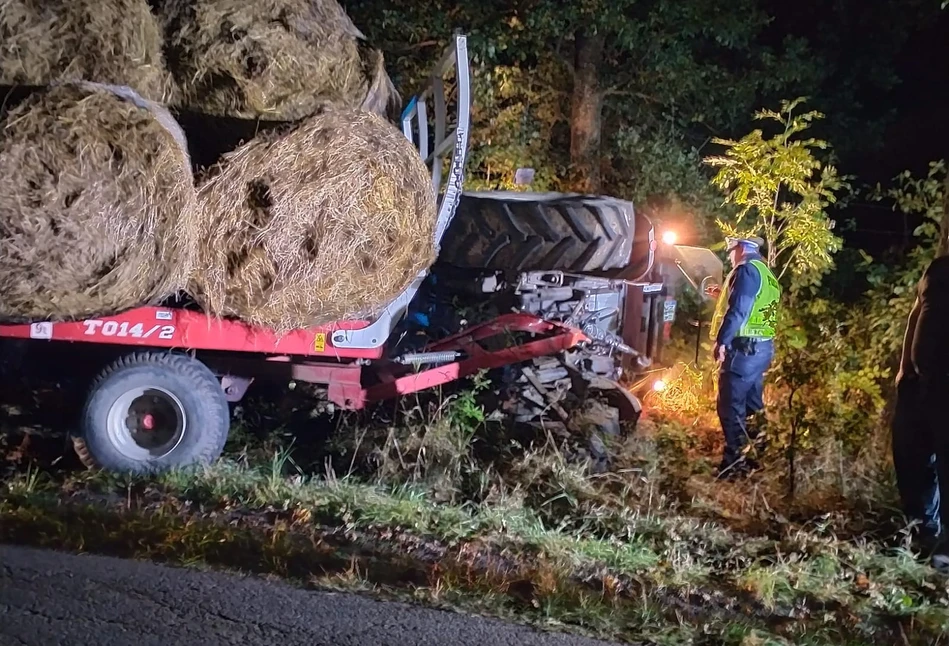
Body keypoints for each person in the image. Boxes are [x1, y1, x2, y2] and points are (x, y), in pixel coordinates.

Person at [892, 254, 949, 572]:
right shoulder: (939, 268)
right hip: (918, 385)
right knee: (910, 459)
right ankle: (922, 535)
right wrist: (903, 369)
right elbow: (917, 313)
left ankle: (946, 553)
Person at [707, 236, 782, 479]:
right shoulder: (765, 272)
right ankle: (759, 456)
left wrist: (722, 341)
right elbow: (753, 305)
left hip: (744, 350)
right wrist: (722, 294)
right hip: (761, 348)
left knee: (730, 407)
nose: (730, 257)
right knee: (752, 406)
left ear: (740, 250)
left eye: (731, 252)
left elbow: (740, 309)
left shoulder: (747, 270)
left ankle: (733, 466)